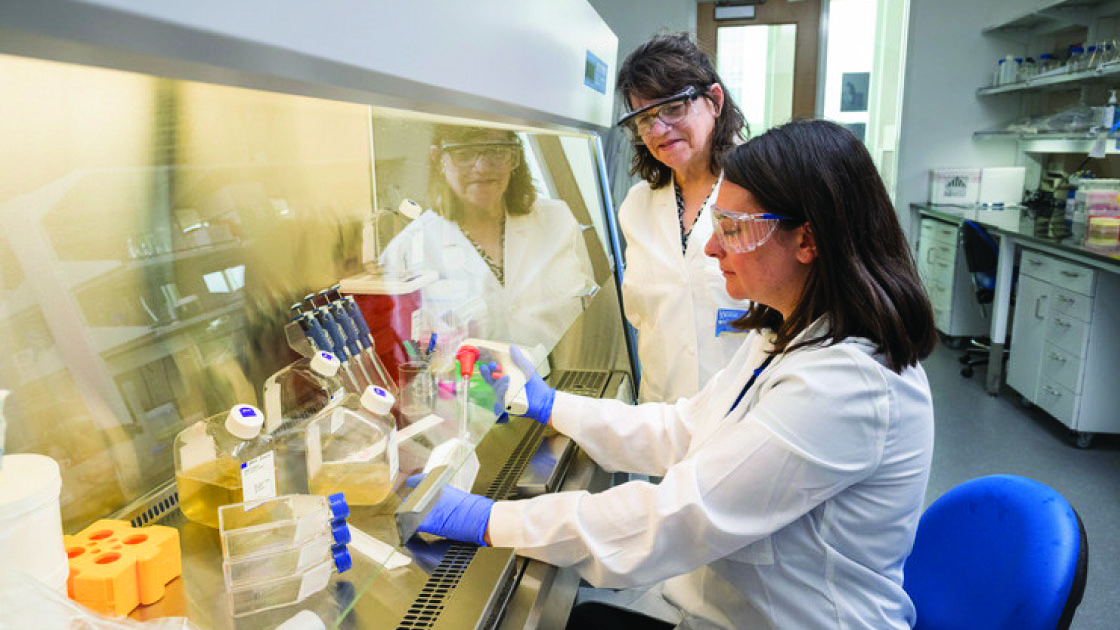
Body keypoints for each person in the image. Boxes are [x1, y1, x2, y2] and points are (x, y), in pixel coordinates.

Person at [407, 120, 939, 630]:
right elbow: (686, 429)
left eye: (732, 230)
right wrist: (552, 405)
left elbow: (679, 515)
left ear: (807, 241)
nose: (712, 248)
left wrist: (487, 520)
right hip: (717, 610)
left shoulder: (847, 383)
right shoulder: (785, 333)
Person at [614, 32, 750, 403]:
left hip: (744, 418)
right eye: (643, 119)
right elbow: (644, 320)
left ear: (714, 100)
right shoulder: (636, 207)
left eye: (673, 108)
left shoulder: (760, 193)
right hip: (660, 418)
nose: (658, 130)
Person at [379, 125, 597, 355]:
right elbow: (405, 357)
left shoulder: (558, 220)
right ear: (438, 159)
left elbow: (589, 312)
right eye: (464, 154)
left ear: (515, 156)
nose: (482, 167)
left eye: (496, 151)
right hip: (470, 390)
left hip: (564, 385)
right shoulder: (407, 249)